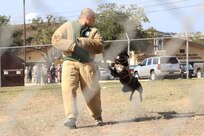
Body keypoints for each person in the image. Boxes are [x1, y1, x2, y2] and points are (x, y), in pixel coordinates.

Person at [52, 8, 104, 129]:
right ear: (88, 18)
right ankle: (71, 118)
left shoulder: (94, 31)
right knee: (68, 89)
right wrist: (72, 46)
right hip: (69, 62)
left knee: (92, 91)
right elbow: (55, 39)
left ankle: (97, 117)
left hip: (88, 64)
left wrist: (82, 42)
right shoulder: (67, 26)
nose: (94, 21)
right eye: (94, 19)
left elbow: (100, 46)